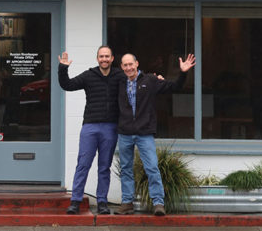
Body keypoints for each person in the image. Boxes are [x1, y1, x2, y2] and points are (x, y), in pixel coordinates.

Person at [115, 53, 196, 216]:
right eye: (125, 65)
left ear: (137, 63)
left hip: (144, 133)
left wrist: (183, 73)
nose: (129, 68)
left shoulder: (150, 81)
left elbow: (174, 87)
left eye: (131, 64)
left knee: (152, 167)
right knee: (126, 169)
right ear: (122, 67)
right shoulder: (119, 82)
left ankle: (158, 203)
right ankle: (127, 203)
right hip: (125, 133)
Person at [57, 46, 123, 215]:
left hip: (110, 127)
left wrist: (155, 78)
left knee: (104, 167)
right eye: (101, 56)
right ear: (97, 58)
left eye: (107, 56)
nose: (104, 59)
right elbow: (67, 85)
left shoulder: (119, 76)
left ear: (112, 58)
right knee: (83, 164)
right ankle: (75, 201)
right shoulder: (89, 75)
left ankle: (102, 202)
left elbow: (136, 81)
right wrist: (63, 68)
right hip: (90, 126)